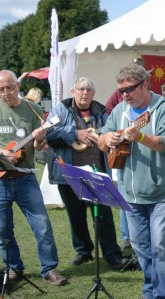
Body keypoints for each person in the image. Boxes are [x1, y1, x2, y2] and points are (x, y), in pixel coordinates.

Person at [98, 64, 165, 299]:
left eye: (130, 89)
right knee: (139, 245)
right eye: (121, 90)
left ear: (145, 85)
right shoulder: (120, 111)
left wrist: (141, 137)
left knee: (160, 246)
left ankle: (162, 298)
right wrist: (109, 139)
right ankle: (150, 291)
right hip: (130, 194)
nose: (124, 95)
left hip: (160, 192)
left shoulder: (163, 108)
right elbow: (101, 139)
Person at [0, 69, 67, 286]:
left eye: (10, 87)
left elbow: (39, 146)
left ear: (18, 85)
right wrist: (1, 151)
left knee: (42, 225)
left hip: (25, 178)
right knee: (2, 230)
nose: (6, 92)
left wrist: (40, 139)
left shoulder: (33, 109)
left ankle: (49, 269)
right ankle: (14, 269)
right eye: (1, 89)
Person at [45, 77, 131, 271]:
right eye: (81, 89)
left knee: (103, 216)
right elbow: (49, 134)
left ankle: (112, 255)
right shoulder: (60, 109)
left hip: (96, 173)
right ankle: (83, 251)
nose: (84, 93)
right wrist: (75, 134)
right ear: (73, 91)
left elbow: (113, 132)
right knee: (76, 216)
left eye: (88, 90)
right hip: (69, 173)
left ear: (93, 94)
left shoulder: (102, 112)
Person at [105, 88, 131, 250]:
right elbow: (107, 110)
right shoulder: (118, 94)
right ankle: (126, 236)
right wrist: (113, 134)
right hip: (123, 156)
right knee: (123, 198)